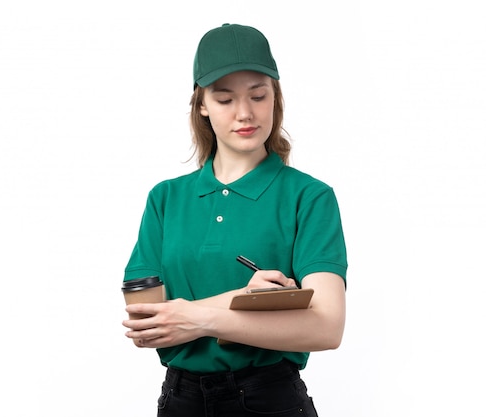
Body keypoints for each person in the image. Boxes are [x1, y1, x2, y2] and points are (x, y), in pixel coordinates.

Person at [122, 23, 348, 417]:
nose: (245, 113)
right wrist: (239, 301)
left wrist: (200, 319)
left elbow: (327, 327)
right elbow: (148, 326)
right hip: (180, 402)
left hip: (270, 399)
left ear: (275, 97)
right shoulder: (166, 198)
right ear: (202, 104)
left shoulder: (309, 197)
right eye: (225, 99)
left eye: (258, 95)